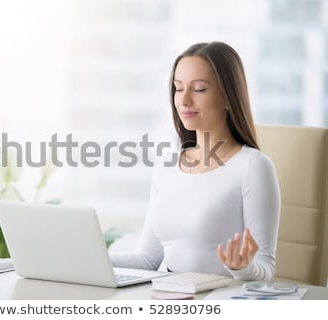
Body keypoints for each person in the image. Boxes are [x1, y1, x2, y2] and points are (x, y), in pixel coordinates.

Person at [110, 42, 281, 281]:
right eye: (178, 88)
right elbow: (147, 260)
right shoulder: (166, 166)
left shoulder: (252, 166)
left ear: (228, 97)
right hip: (172, 297)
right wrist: (91, 259)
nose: (184, 100)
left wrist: (242, 268)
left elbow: (265, 267)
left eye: (199, 89)